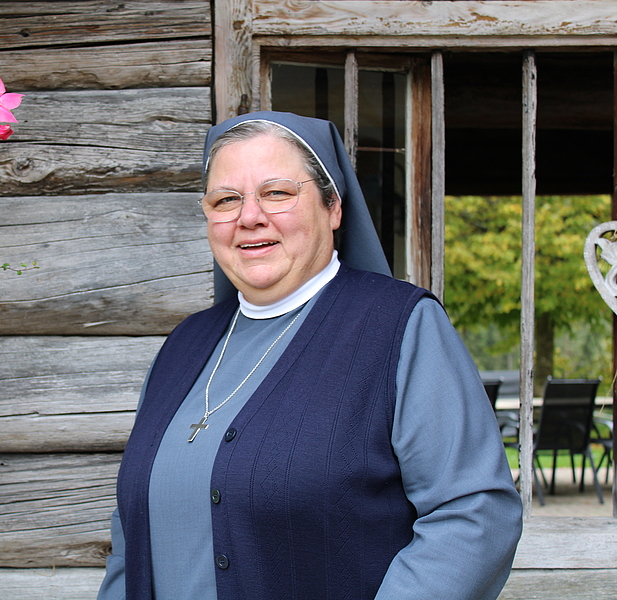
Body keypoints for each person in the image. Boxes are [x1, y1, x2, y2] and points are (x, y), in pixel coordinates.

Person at [97, 111, 522, 600]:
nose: (249, 216)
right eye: (226, 199)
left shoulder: (399, 327)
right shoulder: (183, 346)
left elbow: (475, 512)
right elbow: (131, 539)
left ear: (333, 207)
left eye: (277, 193)